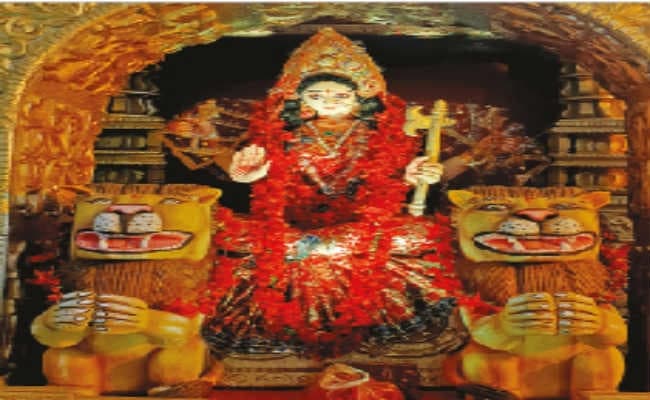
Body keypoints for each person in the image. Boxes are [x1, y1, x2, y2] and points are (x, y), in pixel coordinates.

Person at [205, 28, 504, 355]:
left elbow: (389, 184)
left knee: (424, 234)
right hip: (289, 227)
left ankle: (327, 261)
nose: (328, 103)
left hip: (363, 227)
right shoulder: (281, 133)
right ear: (299, 99)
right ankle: (304, 282)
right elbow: (264, 181)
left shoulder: (380, 133)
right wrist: (247, 176)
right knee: (230, 234)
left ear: (361, 98)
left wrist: (413, 175)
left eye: (340, 97)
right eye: (316, 96)